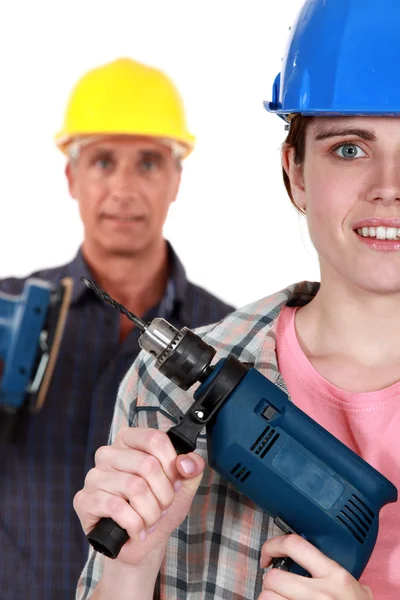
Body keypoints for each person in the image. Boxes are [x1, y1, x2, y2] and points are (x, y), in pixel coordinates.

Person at [74, 1, 400, 599]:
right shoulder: (162, 389)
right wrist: (130, 567)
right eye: (350, 148)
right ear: (295, 172)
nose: (389, 187)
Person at [0, 58, 234, 600]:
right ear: (71, 177)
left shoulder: (230, 338)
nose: (124, 188)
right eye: (104, 161)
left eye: (149, 163)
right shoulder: (8, 313)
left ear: (176, 180)